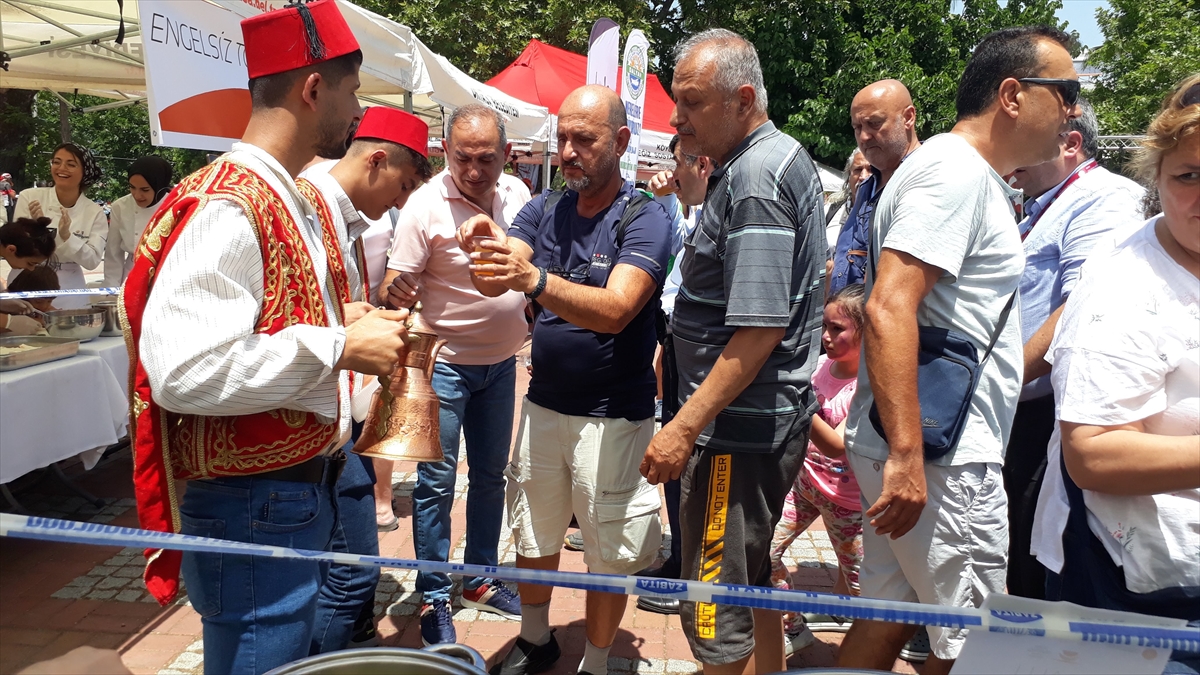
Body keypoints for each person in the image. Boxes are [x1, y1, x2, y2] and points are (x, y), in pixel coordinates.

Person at [123, 2, 411, 672]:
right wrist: (338, 347)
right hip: (253, 500)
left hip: (282, 492)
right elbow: (184, 370)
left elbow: (274, 323)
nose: (357, 111)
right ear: (314, 89)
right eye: (353, 91)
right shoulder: (232, 206)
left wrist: (351, 325)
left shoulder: (286, 197)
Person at [837, 26, 1081, 675]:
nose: (1074, 110)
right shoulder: (955, 173)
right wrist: (911, 460)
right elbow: (890, 305)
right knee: (971, 641)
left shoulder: (953, 171)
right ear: (1012, 94)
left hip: (920, 449)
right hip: (942, 460)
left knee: (889, 618)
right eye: (1066, 92)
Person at [458, 84, 671, 675]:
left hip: (614, 415)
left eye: (586, 138)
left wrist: (534, 281)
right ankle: (535, 639)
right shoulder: (545, 206)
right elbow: (495, 277)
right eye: (564, 138)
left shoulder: (646, 215)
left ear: (622, 142)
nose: (570, 150)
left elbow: (618, 308)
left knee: (607, 551)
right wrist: (483, 250)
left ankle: (598, 662)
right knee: (534, 532)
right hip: (545, 405)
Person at [642, 29, 826, 675]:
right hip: (748, 428)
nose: (675, 117)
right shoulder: (763, 161)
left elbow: (758, 329)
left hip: (733, 435)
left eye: (690, 102)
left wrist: (684, 427)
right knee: (746, 585)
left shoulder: (754, 177)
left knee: (716, 611)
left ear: (742, 98)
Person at [1034, 73, 1200, 673]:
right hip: (1141, 592)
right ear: (1157, 178)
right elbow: (1094, 455)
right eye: (1189, 175)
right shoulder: (1125, 286)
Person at [382, 103, 530, 645]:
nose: (473, 171)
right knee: (436, 484)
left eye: (486, 159)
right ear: (446, 153)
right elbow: (396, 283)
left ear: (506, 156)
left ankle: (481, 577)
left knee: (492, 476)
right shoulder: (423, 206)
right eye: (462, 158)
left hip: (501, 364)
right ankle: (435, 594)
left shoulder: (517, 195)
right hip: (443, 366)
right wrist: (394, 290)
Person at [1001, 97, 1146, 600]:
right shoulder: (1041, 206)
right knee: (1017, 560)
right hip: (1021, 413)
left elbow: (1077, 310)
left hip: (1051, 417)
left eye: (1028, 137)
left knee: (1034, 572)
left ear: (1070, 143)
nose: (1011, 149)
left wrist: (999, 382)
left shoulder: (1106, 200)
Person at [301, 105, 434, 653]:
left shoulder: (344, 215)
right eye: (401, 187)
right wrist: (344, 332)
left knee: (354, 574)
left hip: (340, 426)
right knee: (344, 576)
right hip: (306, 431)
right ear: (376, 161)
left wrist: (369, 310)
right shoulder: (301, 207)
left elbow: (328, 307)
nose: (398, 205)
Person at [635, 134, 715, 618]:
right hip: (673, 338)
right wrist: (664, 197)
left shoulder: (723, 206)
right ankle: (682, 555)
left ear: (701, 163)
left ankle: (696, 571)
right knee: (673, 446)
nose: (673, 170)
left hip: (707, 350)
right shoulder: (678, 207)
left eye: (681, 161)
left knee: (696, 453)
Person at [768, 284, 866, 654]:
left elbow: (837, 445)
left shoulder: (867, 385)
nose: (826, 336)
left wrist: (795, 399)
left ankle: (870, 651)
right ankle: (793, 629)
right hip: (803, 486)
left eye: (838, 329)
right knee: (764, 551)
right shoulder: (822, 367)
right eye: (824, 326)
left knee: (864, 590)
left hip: (848, 505)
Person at [828, 80, 922, 296]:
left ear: (908, 117)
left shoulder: (923, 180)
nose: (864, 137)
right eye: (857, 127)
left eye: (874, 123)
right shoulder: (865, 188)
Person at [11, 143, 106, 308]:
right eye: (56, 162)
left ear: (84, 172)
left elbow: (92, 261)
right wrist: (38, 227)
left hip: (70, 289)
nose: (62, 168)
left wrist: (68, 237)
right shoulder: (29, 197)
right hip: (28, 283)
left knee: (72, 331)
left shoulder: (94, 212)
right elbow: (17, 251)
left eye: (71, 164)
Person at [104, 157, 174, 288]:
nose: (137, 195)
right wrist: (111, 289)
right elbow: (113, 254)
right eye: (132, 187)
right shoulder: (120, 206)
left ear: (159, 186)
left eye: (145, 190)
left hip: (166, 274)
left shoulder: (175, 205)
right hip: (131, 273)